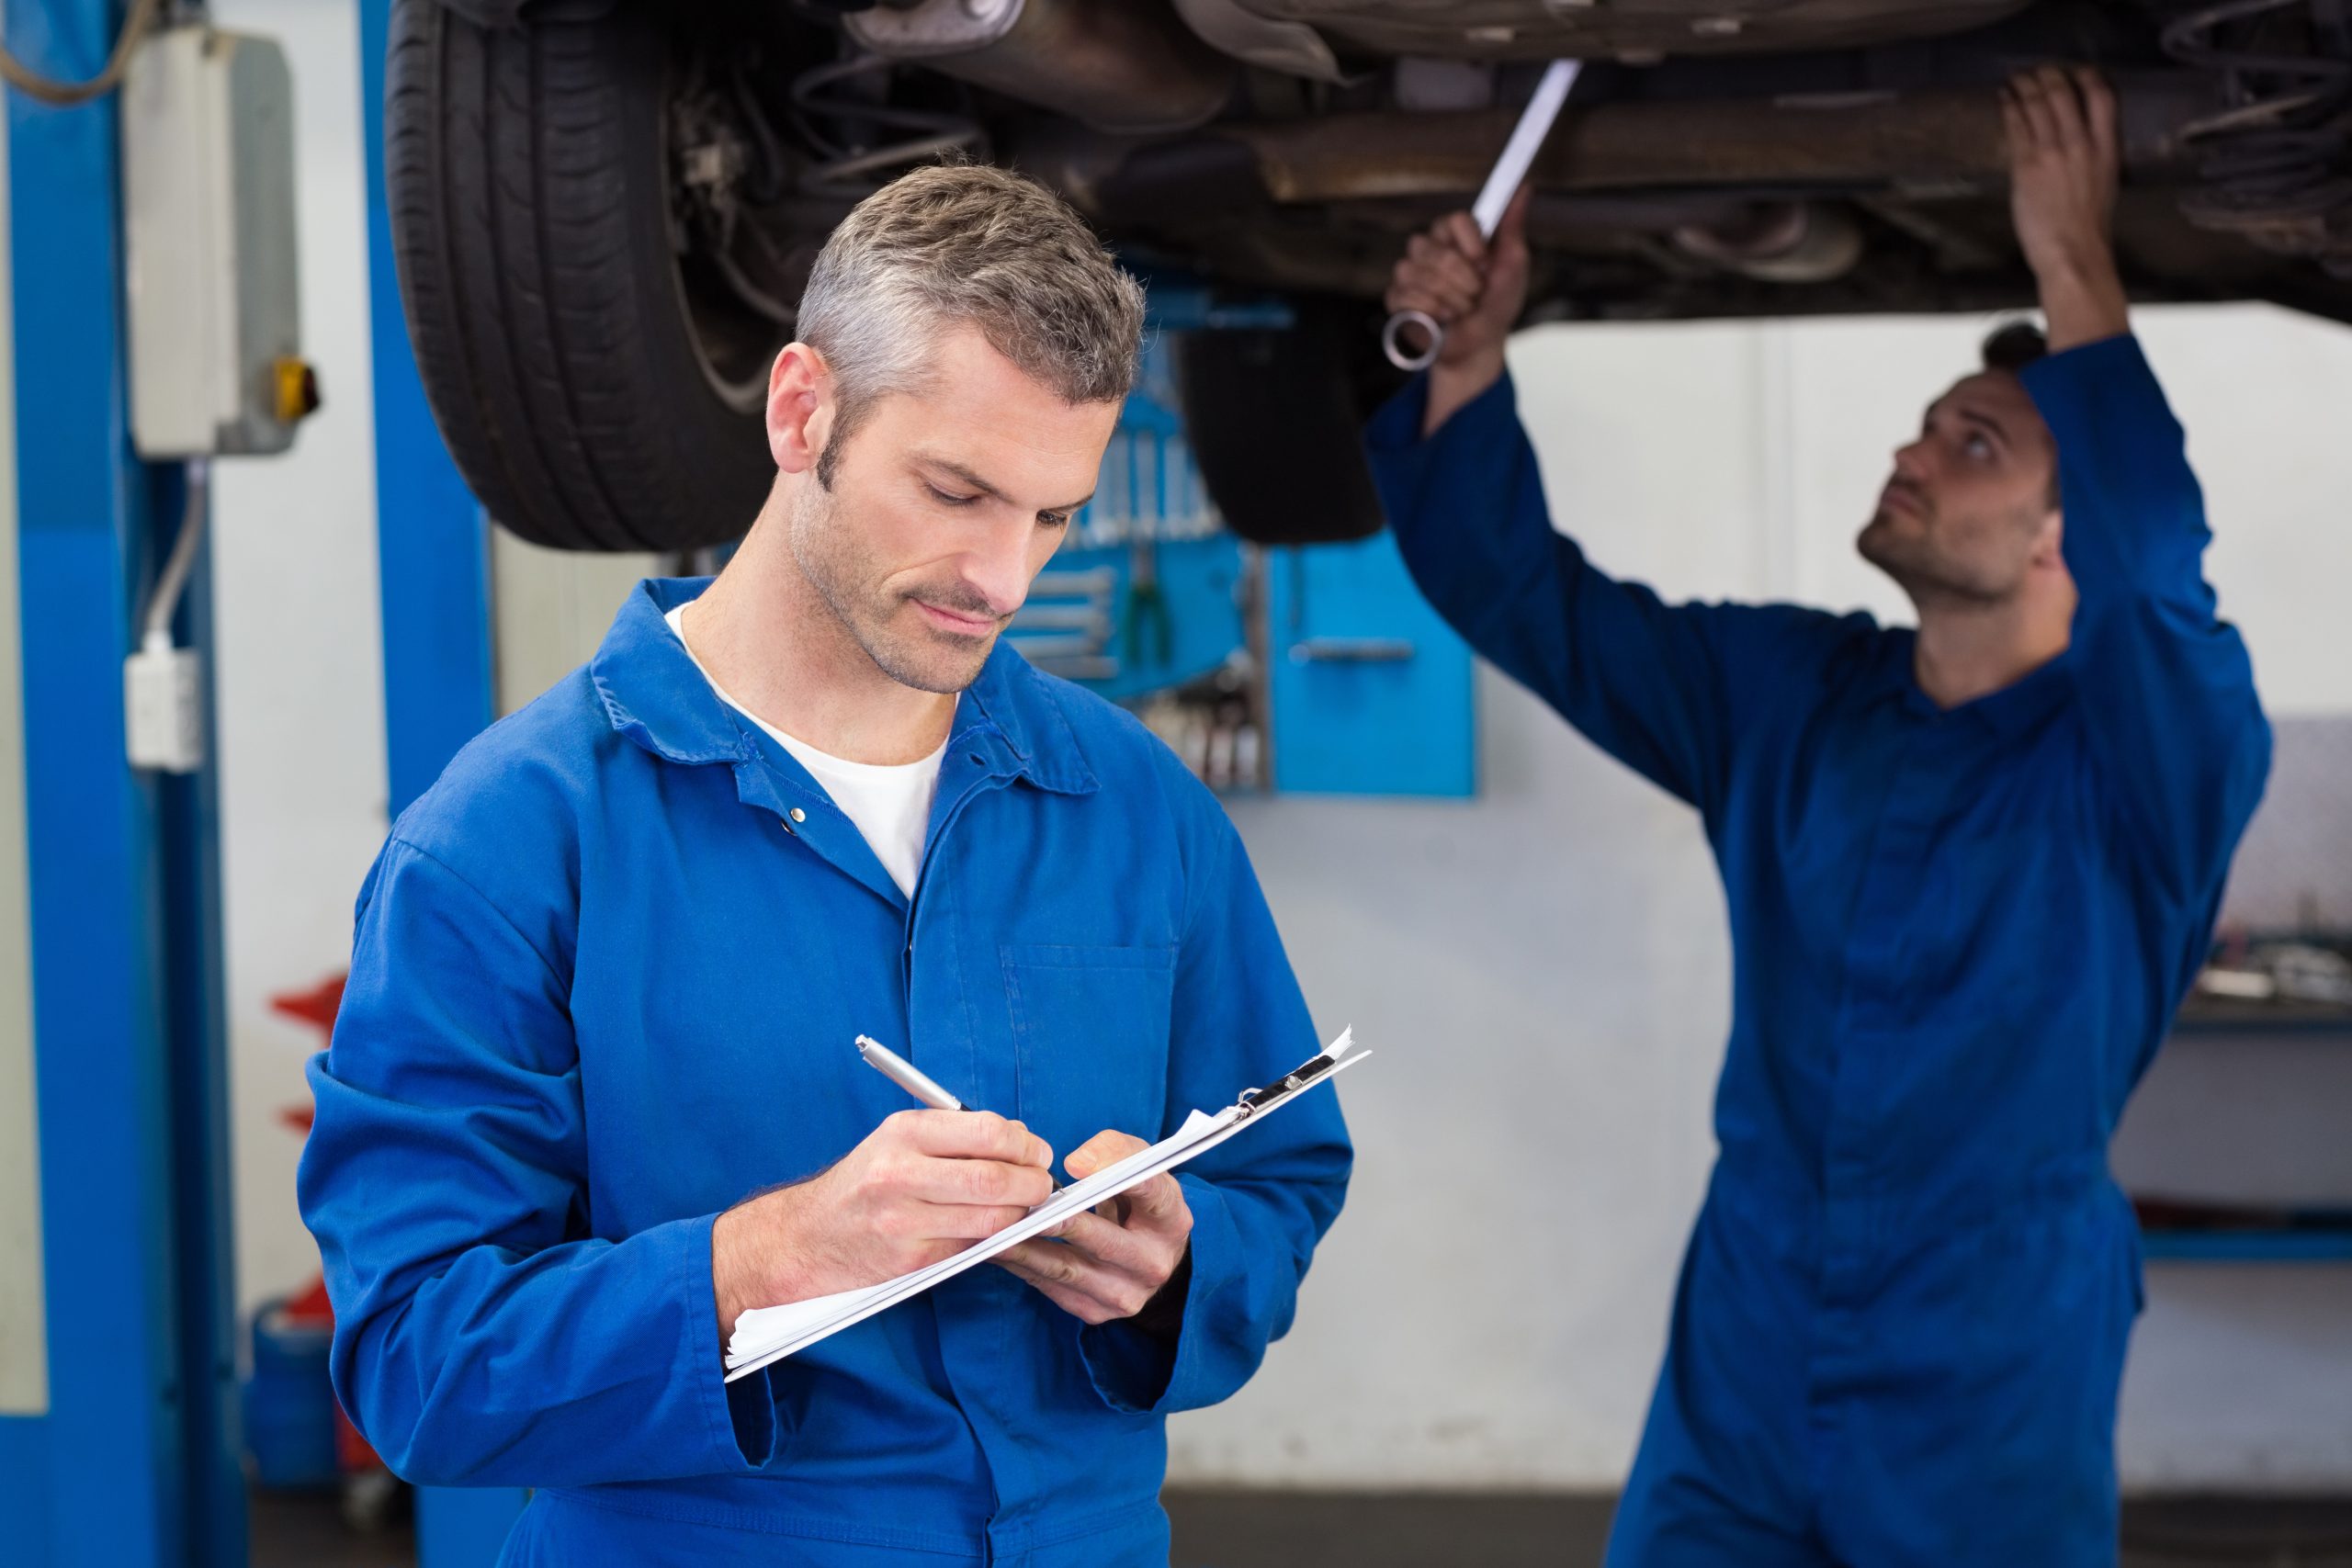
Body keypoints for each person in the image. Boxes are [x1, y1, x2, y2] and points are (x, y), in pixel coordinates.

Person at [300, 163, 1351, 1567]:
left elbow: (1281, 1179)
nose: (1007, 577)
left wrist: (1177, 1264)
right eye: (957, 491)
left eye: (1052, 514)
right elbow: (416, 1364)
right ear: (804, 411)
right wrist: (765, 1260)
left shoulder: (1133, 805)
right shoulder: (506, 846)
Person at [1374, 67, 2268, 1564]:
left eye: (1974, 443)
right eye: (1927, 425)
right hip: (1752, 1332)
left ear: (2073, 530)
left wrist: (2075, 262)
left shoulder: (2148, 759)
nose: (1912, 453)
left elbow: (2164, 570)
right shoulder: (1790, 697)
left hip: (1992, 1368)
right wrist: (1468, 359)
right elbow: (1531, 602)